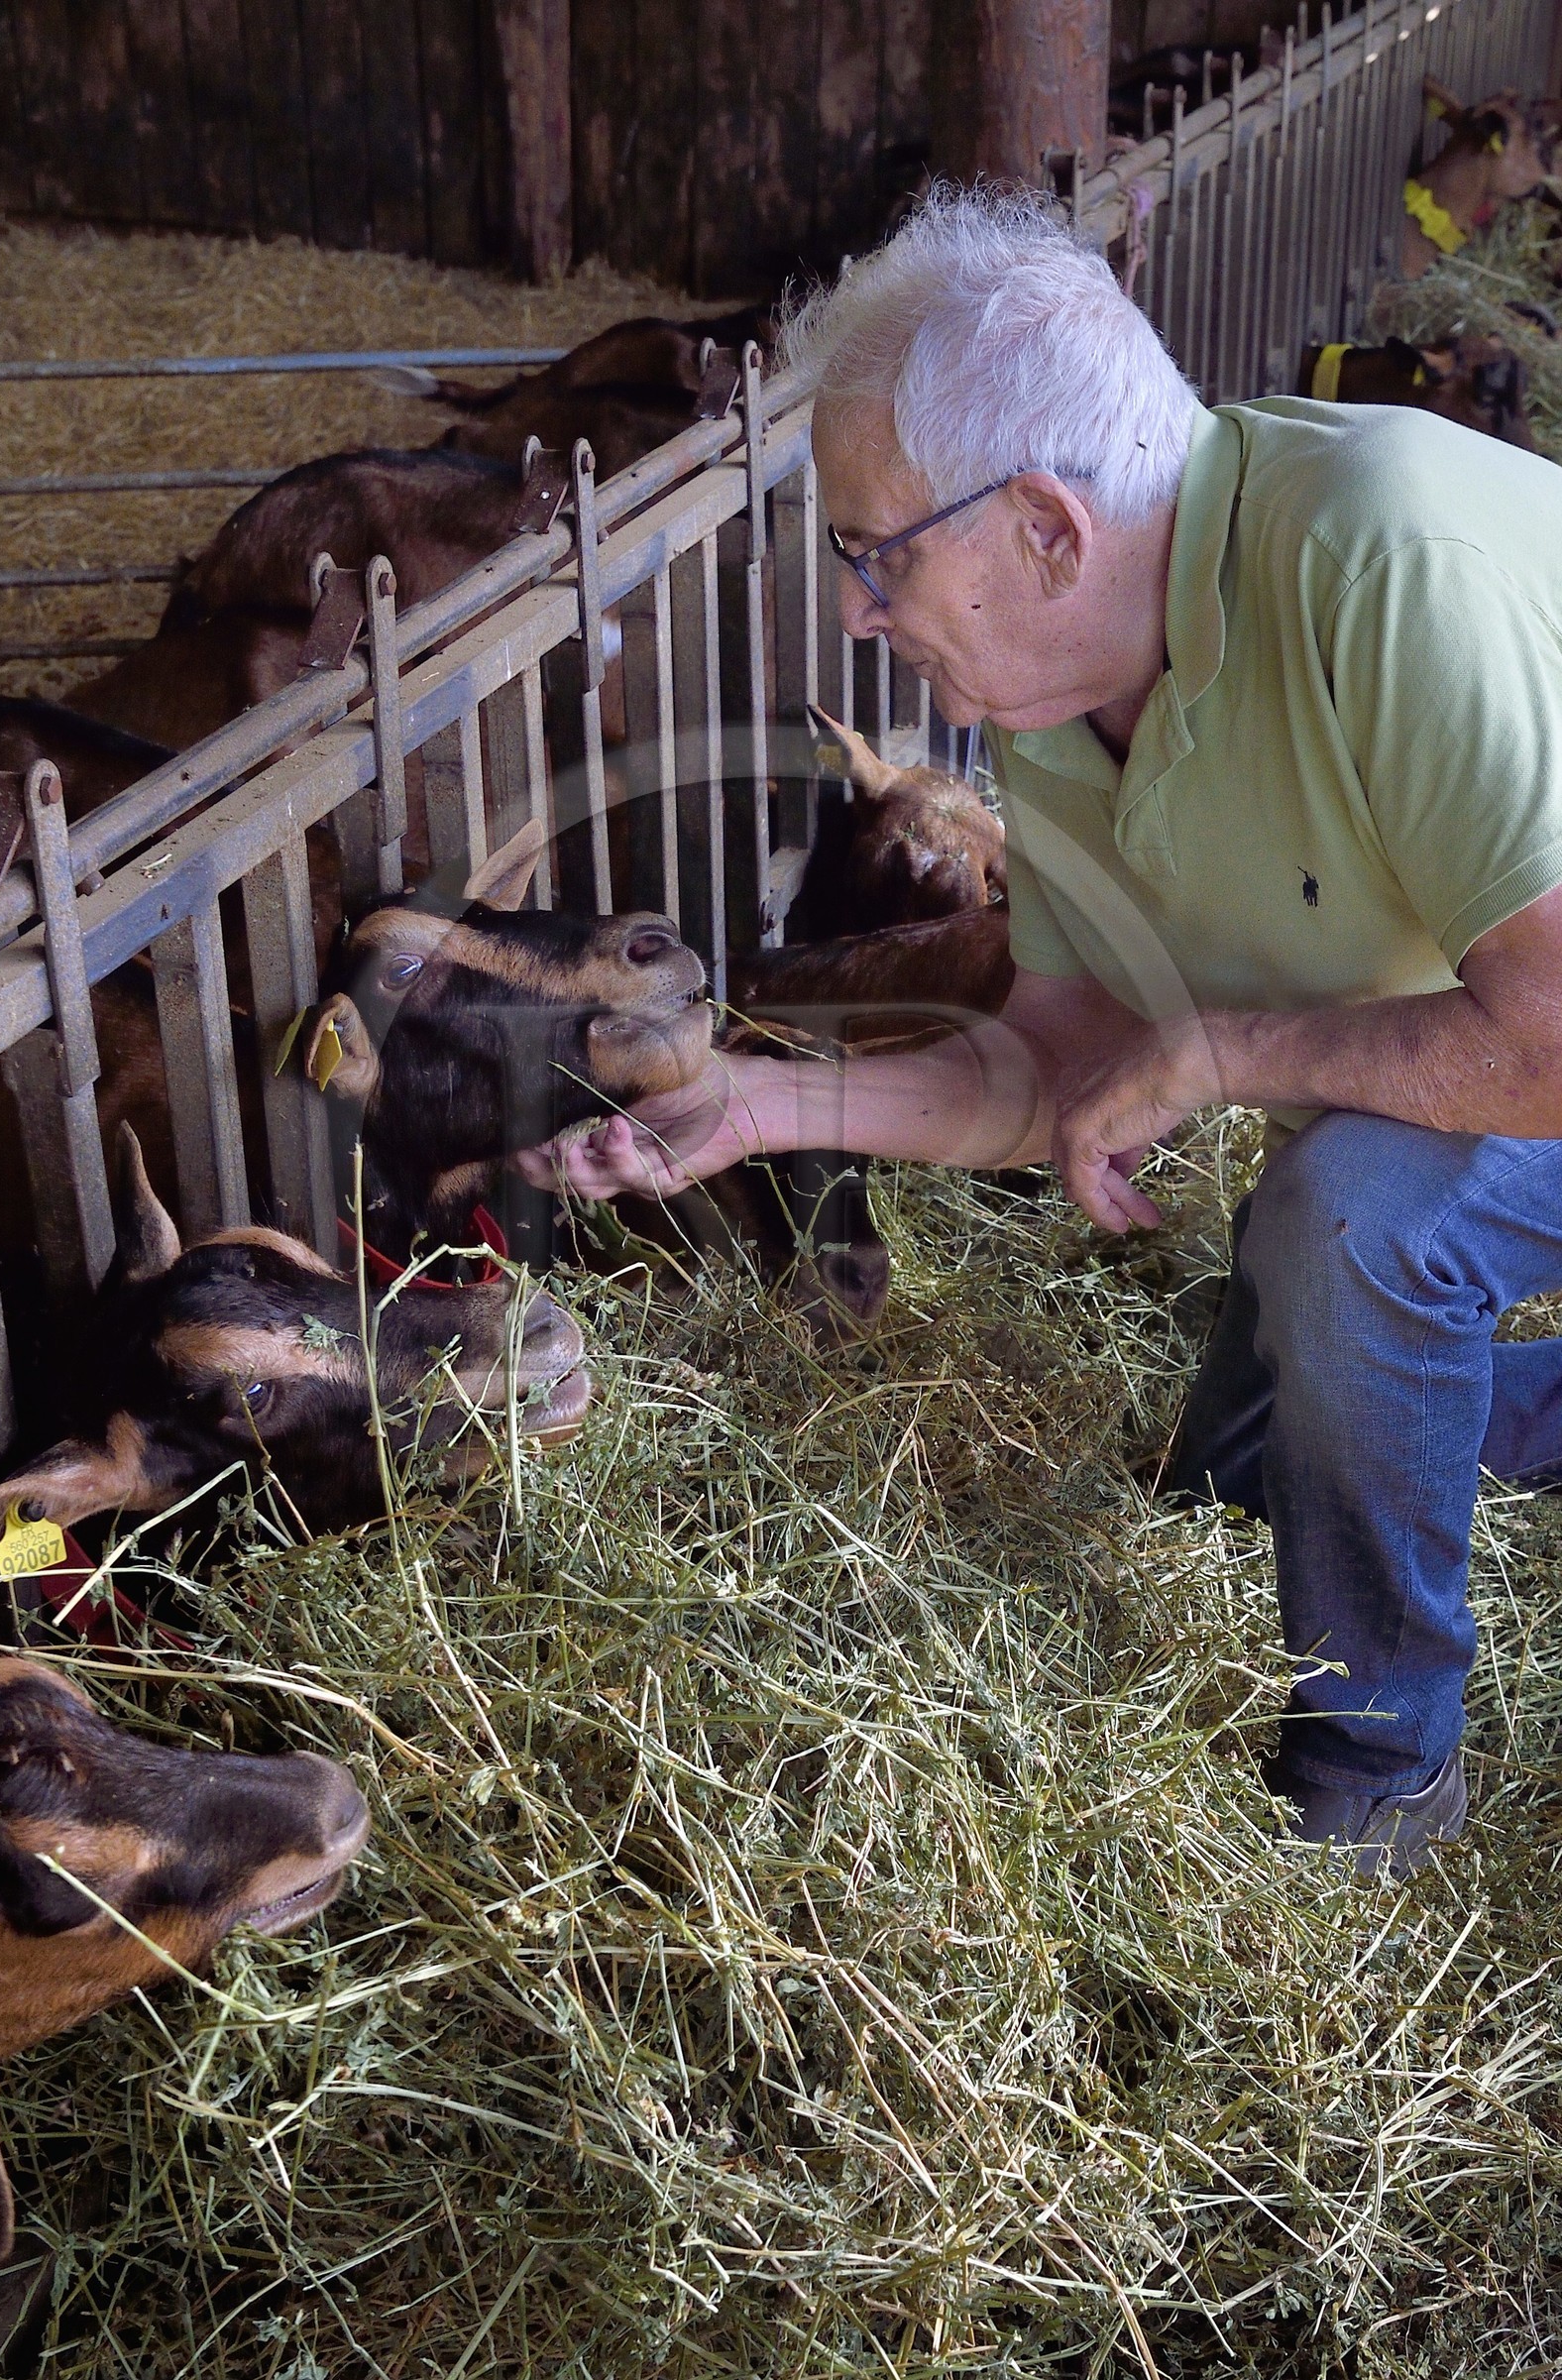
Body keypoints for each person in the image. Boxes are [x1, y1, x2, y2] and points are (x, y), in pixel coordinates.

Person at [516, 186, 1562, 1878]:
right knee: (1229, 1474)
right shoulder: (1066, 704)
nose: (857, 610)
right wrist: (763, 1104)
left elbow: (1551, 1038)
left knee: (1346, 1226)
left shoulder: (1378, 562)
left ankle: (1384, 1770)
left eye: (877, 550)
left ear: (1050, 532)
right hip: (1488, 1028)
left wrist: (1224, 1052)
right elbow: (1066, 1068)